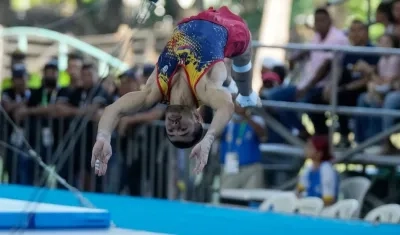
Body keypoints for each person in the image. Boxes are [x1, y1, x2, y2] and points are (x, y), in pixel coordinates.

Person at [92, 5, 260, 176]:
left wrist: (103, 137)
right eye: (183, 130)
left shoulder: (154, 91)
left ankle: (240, 91)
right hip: (228, 30)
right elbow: (226, 107)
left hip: (189, 23)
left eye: (171, 131)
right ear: (197, 117)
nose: (174, 126)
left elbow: (113, 109)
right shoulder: (203, 89)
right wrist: (208, 140)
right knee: (244, 59)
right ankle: (246, 94)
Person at [296, 135, 339, 206]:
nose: (306, 149)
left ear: (319, 153)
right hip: (309, 208)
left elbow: (328, 201)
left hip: (323, 212)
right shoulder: (308, 168)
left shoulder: (326, 169)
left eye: (310, 147)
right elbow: (299, 192)